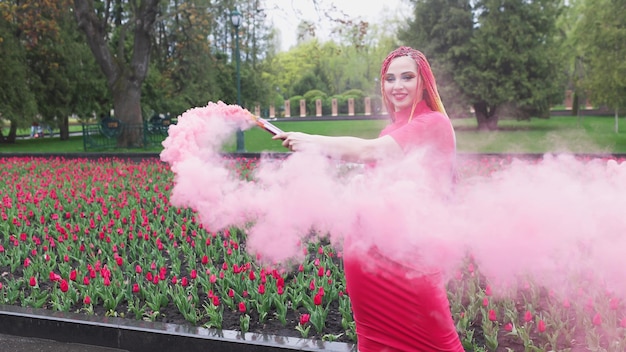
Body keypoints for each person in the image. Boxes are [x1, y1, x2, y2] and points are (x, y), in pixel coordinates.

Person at [273, 46, 463, 351]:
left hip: (412, 263)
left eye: (407, 77)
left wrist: (310, 141)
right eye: (390, 79)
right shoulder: (393, 128)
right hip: (369, 265)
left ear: (423, 82)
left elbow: (369, 151)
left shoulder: (433, 123)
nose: (397, 85)